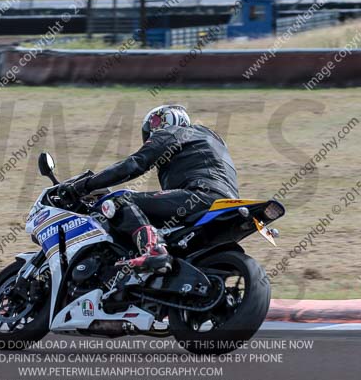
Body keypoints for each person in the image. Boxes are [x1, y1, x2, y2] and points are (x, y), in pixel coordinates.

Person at [58, 105, 239, 273]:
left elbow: (133, 165)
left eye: (155, 123)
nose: (154, 128)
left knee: (120, 201)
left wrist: (84, 185)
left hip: (199, 196)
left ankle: (154, 250)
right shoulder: (212, 139)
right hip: (227, 202)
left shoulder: (172, 132)